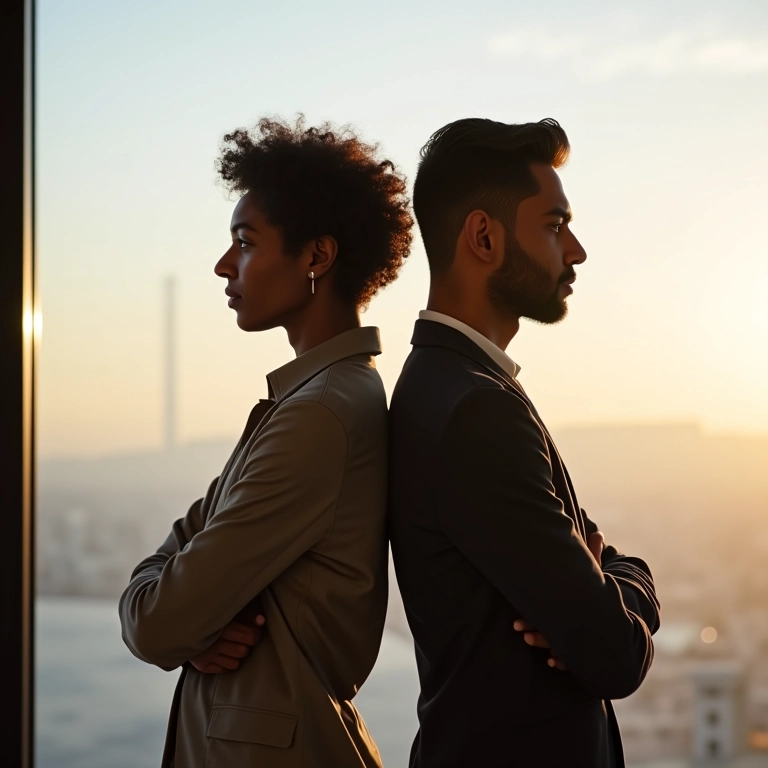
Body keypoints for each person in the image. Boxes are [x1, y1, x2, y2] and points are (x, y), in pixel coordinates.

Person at [119, 116, 413, 768]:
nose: (224, 264)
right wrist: (186, 613)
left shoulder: (320, 416)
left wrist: (171, 608)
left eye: (246, 242)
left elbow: (158, 621)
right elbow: (185, 564)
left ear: (316, 256)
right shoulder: (316, 399)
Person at [388, 117, 660, 767]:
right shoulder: (475, 409)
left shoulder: (454, 384)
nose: (577, 252)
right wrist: (615, 599)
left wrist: (608, 584)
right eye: (555, 225)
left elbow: (614, 575)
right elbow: (616, 655)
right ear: (484, 236)